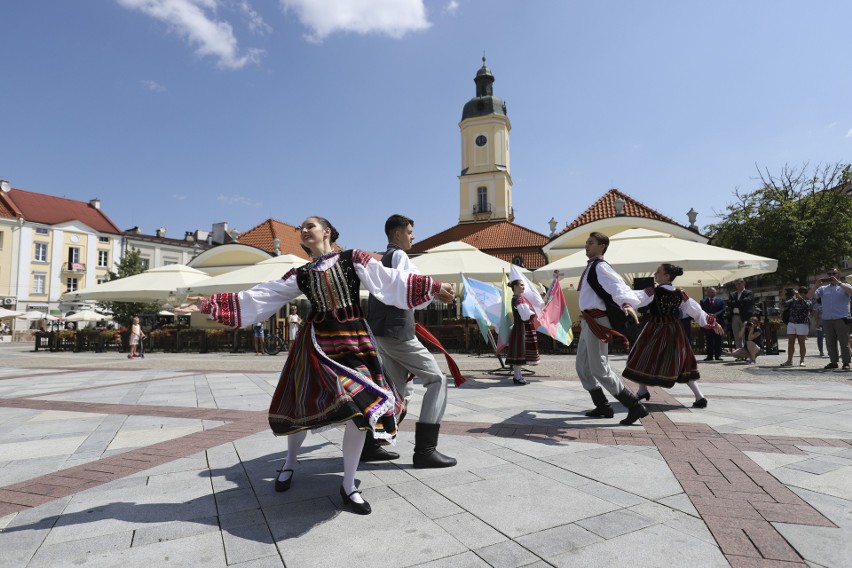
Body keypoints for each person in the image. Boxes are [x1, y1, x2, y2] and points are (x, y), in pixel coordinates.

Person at [182, 216, 455, 515]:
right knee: (304, 402)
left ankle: (348, 486)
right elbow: (259, 296)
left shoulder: (353, 258)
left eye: (310, 225)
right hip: (317, 346)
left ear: (327, 231)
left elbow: (389, 280)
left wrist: (432, 286)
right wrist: (207, 304)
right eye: (301, 228)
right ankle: (289, 463)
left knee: (359, 406)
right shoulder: (301, 273)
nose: (304, 230)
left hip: (354, 343)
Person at [365, 214, 458, 468]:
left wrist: (436, 291)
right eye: (409, 232)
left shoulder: (383, 259)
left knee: (398, 392)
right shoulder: (398, 256)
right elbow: (411, 282)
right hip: (397, 332)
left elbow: (411, 286)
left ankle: (371, 445)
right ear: (397, 234)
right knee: (437, 380)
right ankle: (426, 450)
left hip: (383, 332)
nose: (412, 236)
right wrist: (437, 287)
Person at [625, 264, 724, 409]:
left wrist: (621, 300)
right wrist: (713, 323)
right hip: (674, 330)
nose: (655, 274)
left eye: (658, 272)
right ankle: (699, 396)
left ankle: (642, 390)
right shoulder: (680, 293)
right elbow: (696, 311)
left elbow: (634, 298)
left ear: (666, 276)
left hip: (655, 329)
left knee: (642, 356)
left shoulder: (653, 291)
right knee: (682, 362)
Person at [576, 232, 648, 426]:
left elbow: (616, 286)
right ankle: (602, 406)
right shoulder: (592, 266)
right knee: (582, 367)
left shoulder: (600, 266)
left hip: (598, 321)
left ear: (602, 247)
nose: (587, 245)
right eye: (586, 242)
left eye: (591, 243)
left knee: (599, 368)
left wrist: (626, 303)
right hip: (588, 321)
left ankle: (634, 406)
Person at [807, 268, 852, 370]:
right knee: (830, 342)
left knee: (844, 342)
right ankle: (833, 362)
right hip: (827, 319)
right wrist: (816, 285)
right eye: (829, 274)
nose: (831, 275)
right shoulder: (824, 289)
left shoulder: (845, 286)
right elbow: (809, 296)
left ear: (838, 275)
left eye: (833, 273)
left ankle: (846, 362)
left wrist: (839, 283)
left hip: (841, 318)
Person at [505, 277, 540, 385]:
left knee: (520, 352)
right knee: (519, 352)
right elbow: (525, 316)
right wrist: (532, 313)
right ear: (515, 287)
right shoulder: (519, 300)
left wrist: (530, 312)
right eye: (521, 285)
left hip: (521, 327)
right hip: (522, 328)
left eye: (523, 285)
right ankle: (517, 376)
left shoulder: (518, 299)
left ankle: (518, 375)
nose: (523, 287)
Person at [780, 287, 811, 367]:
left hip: (802, 323)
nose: (801, 294)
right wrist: (783, 295)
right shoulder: (793, 300)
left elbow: (806, 306)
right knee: (790, 343)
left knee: (801, 343)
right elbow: (784, 304)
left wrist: (799, 296)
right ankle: (789, 360)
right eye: (800, 292)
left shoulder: (808, 301)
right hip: (792, 323)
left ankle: (802, 360)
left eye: (803, 292)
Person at [699, 287, 726, 361]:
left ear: (715, 292)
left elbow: (723, 310)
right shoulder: (703, 301)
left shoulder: (720, 301)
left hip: (718, 323)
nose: (711, 293)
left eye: (713, 292)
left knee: (718, 339)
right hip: (708, 323)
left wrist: (715, 315)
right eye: (710, 292)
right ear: (707, 293)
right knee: (709, 339)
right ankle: (709, 355)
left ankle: (718, 355)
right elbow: (701, 311)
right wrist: (708, 315)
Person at [728, 278, 754, 350]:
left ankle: (746, 353)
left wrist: (736, 303)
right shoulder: (733, 294)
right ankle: (739, 354)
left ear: (743, 283)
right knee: (737, 336)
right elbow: (730, 303)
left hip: (744, 317)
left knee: (745, 335)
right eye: (736, 284)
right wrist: (740, 303)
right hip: (734, 317)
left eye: (739, 284)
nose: (737, 286)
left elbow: (746, 302)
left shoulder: (748, 293)